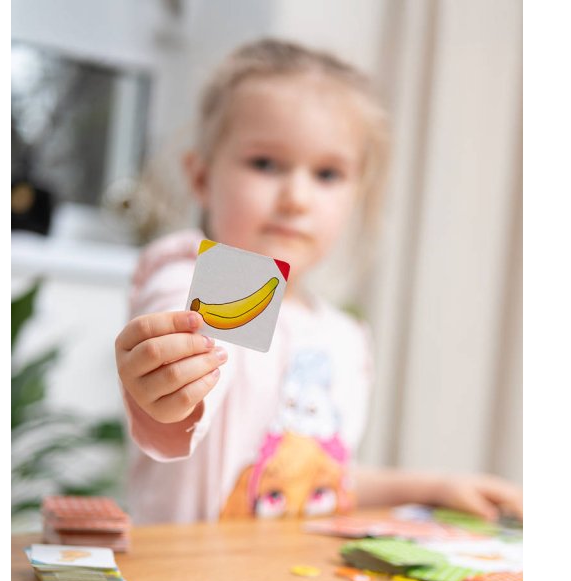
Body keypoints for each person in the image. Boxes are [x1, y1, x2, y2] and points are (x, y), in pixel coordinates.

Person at [114, 39, 522, 525]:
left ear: (357, 195)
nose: (296, 198)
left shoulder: (343, 336)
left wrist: (432, 487)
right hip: (184, 572)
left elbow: (320, 483)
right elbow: (182, 406)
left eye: (327, 174)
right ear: (201, 178)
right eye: (265, 164)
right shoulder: (195, 279)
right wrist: (165, 393)